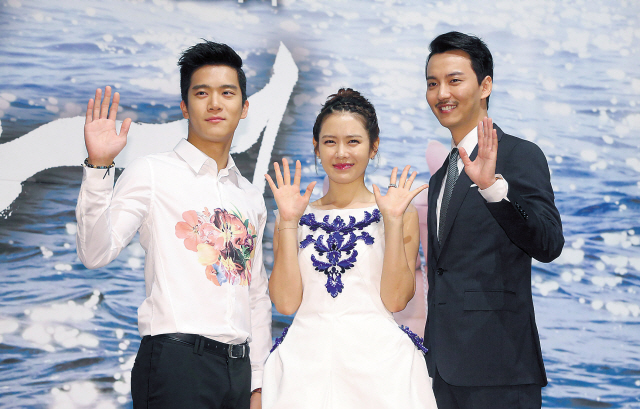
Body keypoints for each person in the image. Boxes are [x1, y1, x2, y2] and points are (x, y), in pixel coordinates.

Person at [75, 40, 271, 409]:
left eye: (227, 92)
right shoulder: (152, 172)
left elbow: (256, 294)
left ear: (244, 108)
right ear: (185, 105)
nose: (215, 103)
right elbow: (95, 253)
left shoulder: (248, 195)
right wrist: (99, 167)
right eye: (202, 93)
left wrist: (257, 381)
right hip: (177, 363)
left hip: (238, 370)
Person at [261, 88, 438, 408]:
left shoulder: (398, 211)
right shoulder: (293, 213)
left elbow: (397, 299)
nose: (341, 152)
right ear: (316, 147)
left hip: (380, 372)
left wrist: (394, 221)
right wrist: (288, 220)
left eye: (353, 141)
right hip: (305, 370)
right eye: (330, 142)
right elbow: (286, 304)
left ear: (374, 147)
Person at [422, 31, 564, 408]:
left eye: (454, 80)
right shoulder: (440, 178)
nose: (442, 94)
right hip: (442, 370)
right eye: (432, 83)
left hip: (499, 367)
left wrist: (494, 190)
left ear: (484, 86)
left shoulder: (519, 155)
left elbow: (548, 243)